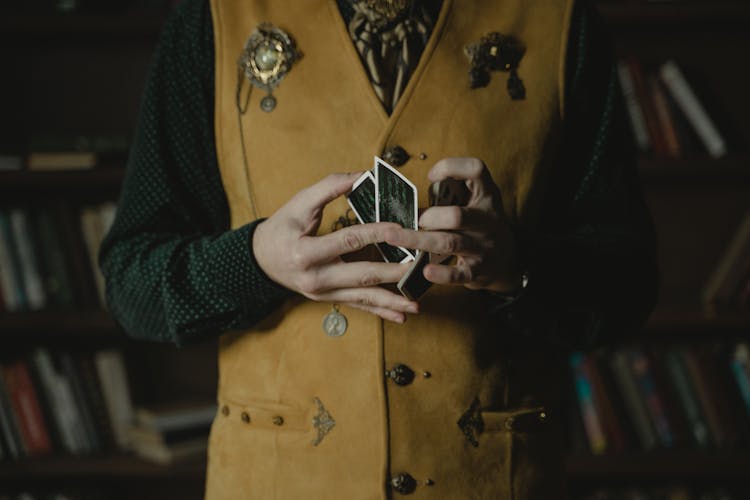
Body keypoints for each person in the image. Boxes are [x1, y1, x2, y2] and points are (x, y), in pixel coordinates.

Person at [100, 0, 657, 498]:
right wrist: (255, 263)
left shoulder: (561, 20)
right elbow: (131, 282)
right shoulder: (211, 18)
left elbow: (630, 285)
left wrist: (517, 267)